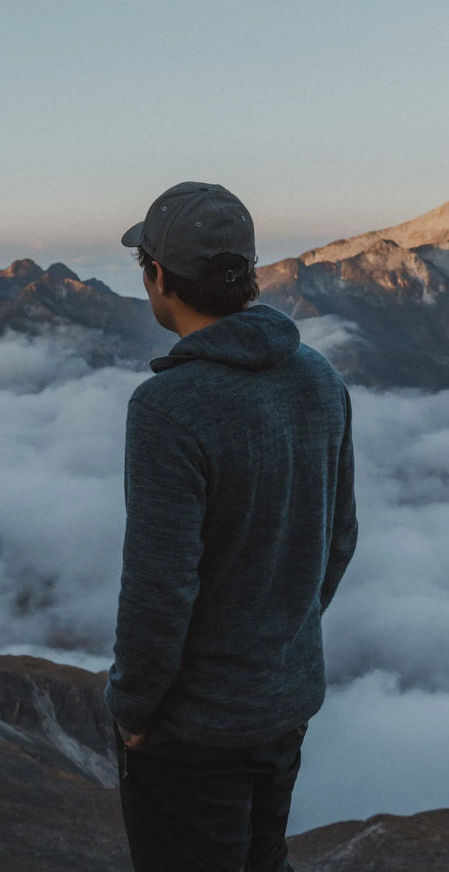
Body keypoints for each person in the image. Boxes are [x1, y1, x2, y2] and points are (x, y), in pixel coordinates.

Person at [104, 182, 358, 872]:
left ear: (159, 278)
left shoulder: (167, 409)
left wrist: (132, 708)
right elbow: (339, 539)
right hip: (285, 704)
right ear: (244, 275)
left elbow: (160, 587)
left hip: (194, 732)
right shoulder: (320, 379)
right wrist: (279, 642)